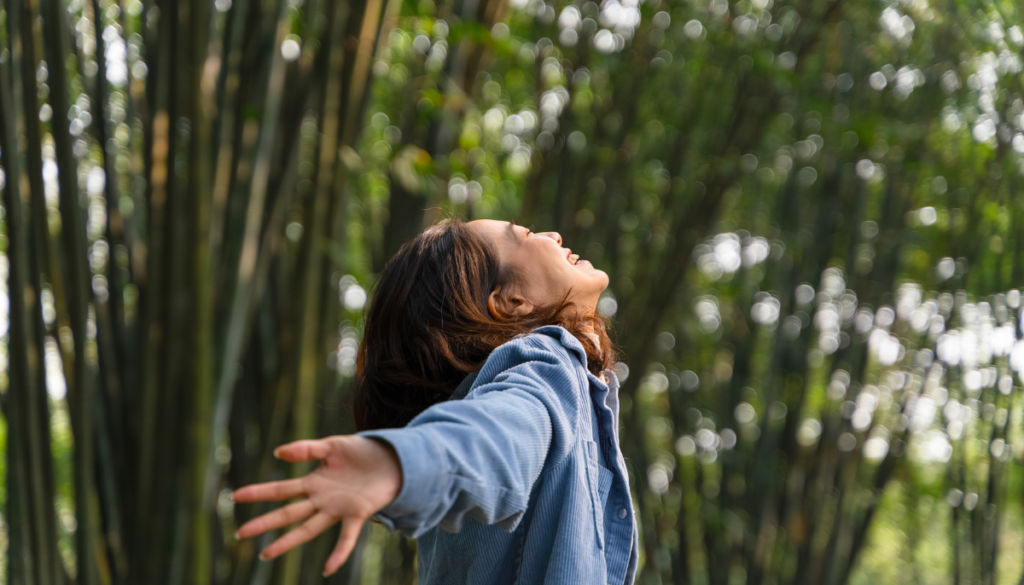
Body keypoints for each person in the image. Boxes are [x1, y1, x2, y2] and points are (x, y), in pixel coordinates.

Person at [231, 218, 637, 584]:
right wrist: (399, 462)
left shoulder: (491, 393)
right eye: (527, 235)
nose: (554, 234)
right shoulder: (546, 363)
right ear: (510, 301)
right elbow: (499, 435)